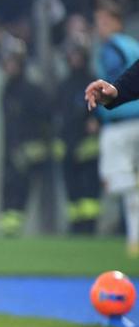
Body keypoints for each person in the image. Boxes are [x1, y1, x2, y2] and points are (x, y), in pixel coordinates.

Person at [87, 3, 139, 253]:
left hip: (120, 122)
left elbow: (115, 75)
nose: (101, 28)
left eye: (105, 22)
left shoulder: (112, 48)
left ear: (118, 22)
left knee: (118, 180)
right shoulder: (133, 45)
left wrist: (102, 107)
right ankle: (134, 240)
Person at [0, 37, 50, 237]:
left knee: (21, 193)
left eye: (12, 61)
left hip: (29, 155)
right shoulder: (6, 89)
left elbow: (44, 123)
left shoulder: (33, 91)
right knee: (8, 192)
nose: (8, 66)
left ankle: (13, 231)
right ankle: (9, 233)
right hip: (10, 151)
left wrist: (32, 151)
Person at [58, 34, 101, 234]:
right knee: (72, 192)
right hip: (69, 143)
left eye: (78, 54)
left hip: (88, 145)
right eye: (72, 54)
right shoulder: (64, 85)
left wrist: (96, 121)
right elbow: (57, 114)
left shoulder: (92, 81)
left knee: (89, 191)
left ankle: (89, 227)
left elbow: (102, 110)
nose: (75, 58)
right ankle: (76, 228)